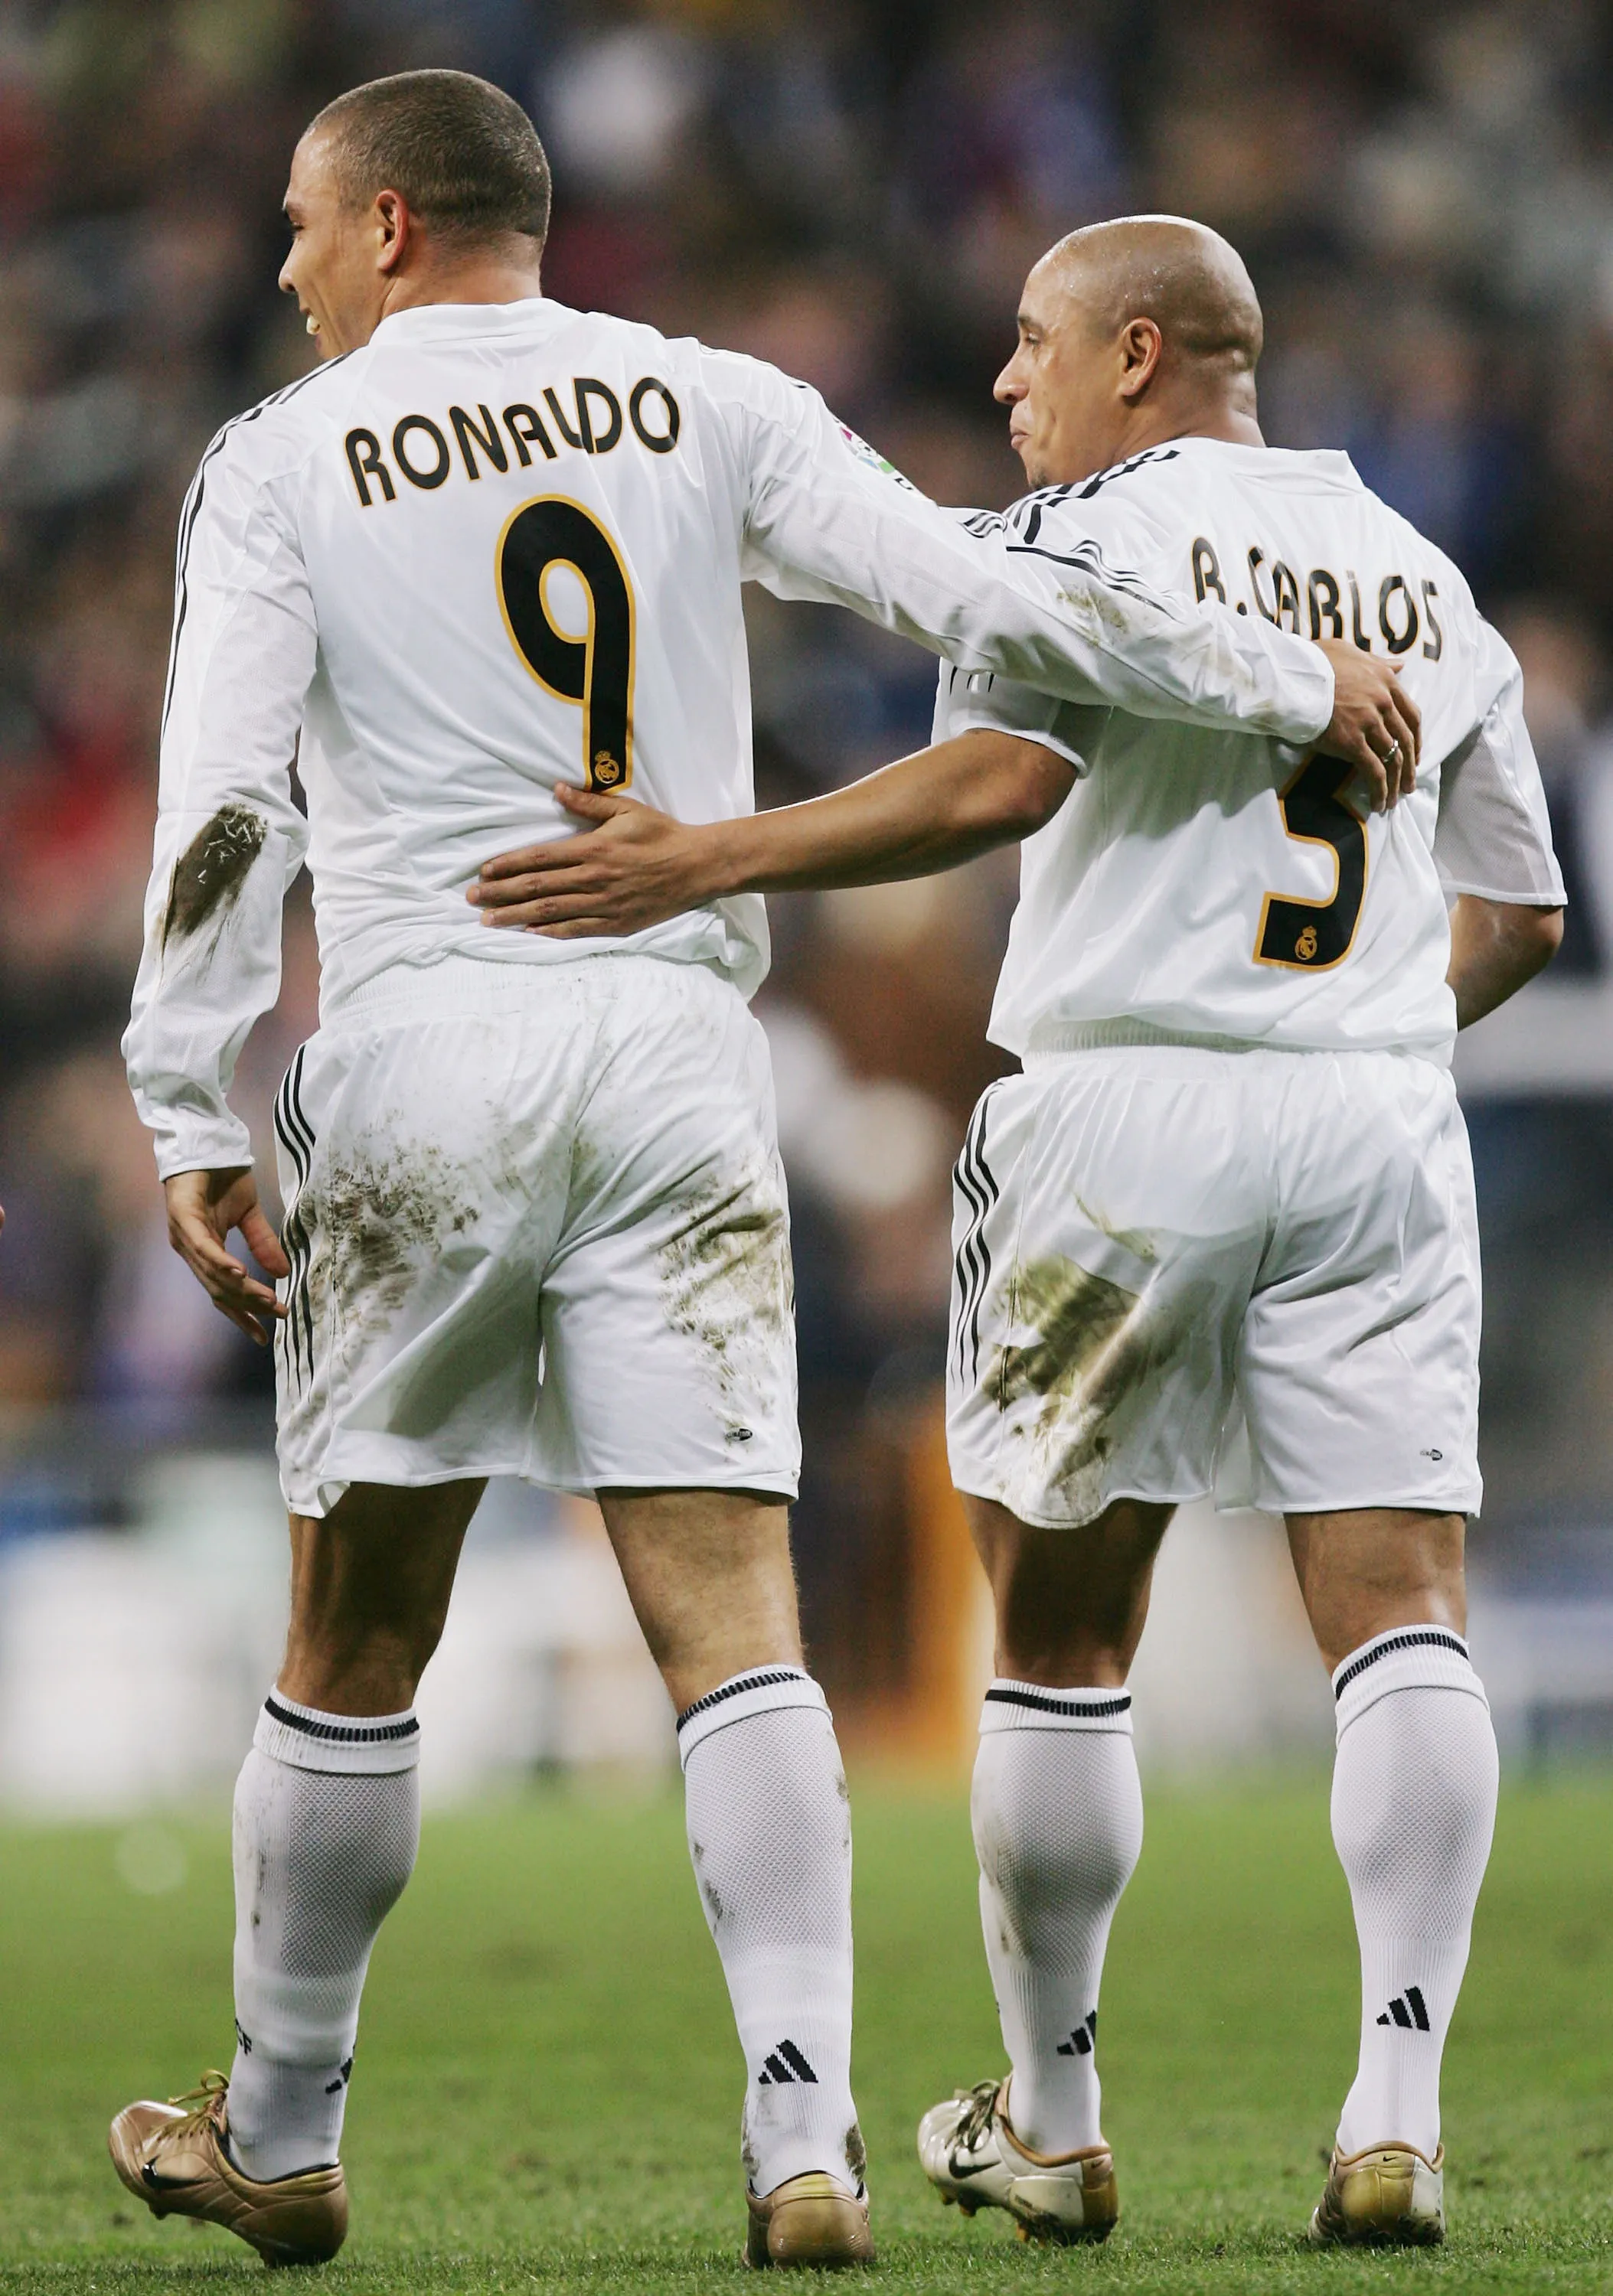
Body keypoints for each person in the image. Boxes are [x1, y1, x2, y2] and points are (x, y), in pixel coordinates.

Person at [109, 77, 1412, 2269]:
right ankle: (801, 2143)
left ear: (398, 228)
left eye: (304, 228)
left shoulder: (281, 456)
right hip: (687, 1052)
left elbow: (228, 803)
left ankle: (288, 2126)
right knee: (732, 1619)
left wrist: (180, 1096)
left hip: (433, 1030)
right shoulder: (705, 397)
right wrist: (1288, 668)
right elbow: (988, 595)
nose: (286, 265)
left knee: (356, 1635)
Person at [472, 215, 1565, 2252]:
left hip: (1120, 1114)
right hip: (1378, 1125)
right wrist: (1362, 1033)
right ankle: (1394, 2112)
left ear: (1138, 353)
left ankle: (1055, 2117)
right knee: (1403, 1610)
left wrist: (710, 857)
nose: (1006, 383)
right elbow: (1527, 916)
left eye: (1033, 343)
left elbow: (992, 778)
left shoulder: (1081, 541)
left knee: (1060, 1642)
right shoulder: (1423, 573)